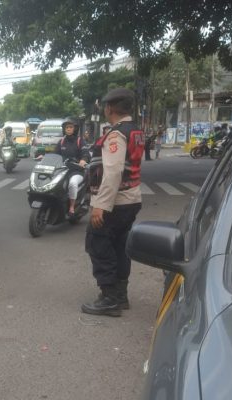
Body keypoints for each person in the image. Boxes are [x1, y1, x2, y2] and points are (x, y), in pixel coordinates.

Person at [82, 87, 143, 317]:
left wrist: (101, 205)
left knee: (98, 244)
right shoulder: (135, 130)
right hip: (131, 199)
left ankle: (109, 298)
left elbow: (113, 172)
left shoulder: (117, 134)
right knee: (119, 246)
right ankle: (120, 295)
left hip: (116, 201)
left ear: (109, 108)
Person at [53, 118, 90, 215]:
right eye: (66, 127)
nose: (68, 129)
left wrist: (83, 160)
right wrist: (44, 156)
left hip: (77, 171)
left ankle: (72, 206)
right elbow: (55, 154)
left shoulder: (79, 141)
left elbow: (85, 153)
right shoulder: (61, 142)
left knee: (72, 184)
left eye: (70, 127)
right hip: (63, 170)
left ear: (75, 129)